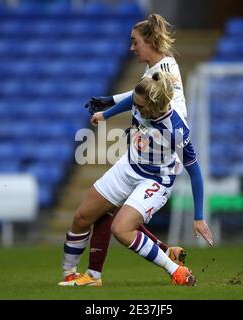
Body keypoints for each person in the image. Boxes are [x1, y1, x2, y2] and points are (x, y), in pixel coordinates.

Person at [60, 14, 191, 286]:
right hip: (134, 160)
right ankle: (76, 275)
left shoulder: (165, 73)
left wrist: (164, 133)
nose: (131, 47)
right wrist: (109, 106)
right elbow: (140, 94)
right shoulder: (155, 69)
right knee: (86, 214)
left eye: (135, 42)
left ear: (150, 41)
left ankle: (164, 266)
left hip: (155, 167)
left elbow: (168, 109)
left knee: (118, 223)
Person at [59, 72, 213, 287]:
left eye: (140, 107)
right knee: (82, 217)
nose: (136, 108)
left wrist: (199, 217)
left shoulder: (175, 129)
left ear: (152, 106)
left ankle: (176, 270)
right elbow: (132, 99)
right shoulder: (140, 99)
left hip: (156, 179)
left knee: (121, 229)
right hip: (128, 166)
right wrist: (106, 115)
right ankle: (70, 274)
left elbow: (194, 170)